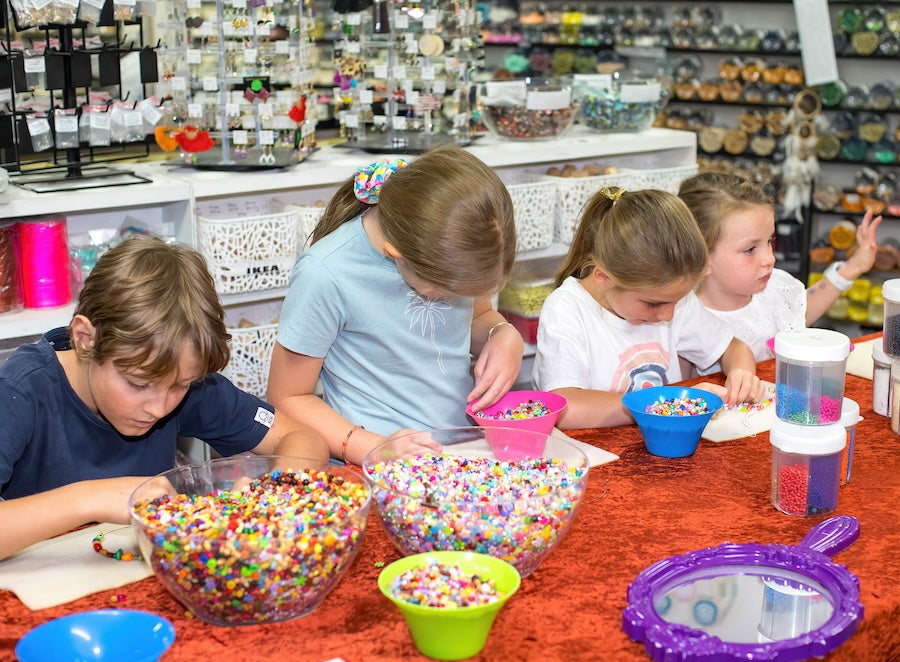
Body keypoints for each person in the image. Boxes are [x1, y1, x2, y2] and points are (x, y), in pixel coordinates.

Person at [0, 237, 329, 560]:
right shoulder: (18, 393)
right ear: (86, 339)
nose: (159, 407)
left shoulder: (179, 380)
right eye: (138, 384)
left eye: (181, 385)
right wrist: (87, 498)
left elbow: (302, 439)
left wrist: (270, 493)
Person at [267, 145, 523, 465]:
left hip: (460, 450)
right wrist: (373, 447)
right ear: (394, 253)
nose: (453, 297)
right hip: (376, 462)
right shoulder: (326, 273)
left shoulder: (451, 247)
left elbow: (478, 315)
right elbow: (288, 397)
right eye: (443, 290)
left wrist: (502, 334)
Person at [532, 186, 765, 430]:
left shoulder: (670, 296)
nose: (668, 315)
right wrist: (663, 404)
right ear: (603, 278)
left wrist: (742, 375)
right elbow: (565, 409)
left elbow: (733, 347)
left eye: (677, 300)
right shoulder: (567, 309)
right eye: (653, 304)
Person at [678, 172, 882, 371]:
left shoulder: (774, 289)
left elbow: (799, 313)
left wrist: (854, 267)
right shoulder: (686, 322)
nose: (769, 258)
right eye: (750, 249)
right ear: (700, 257)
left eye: (769, 241)